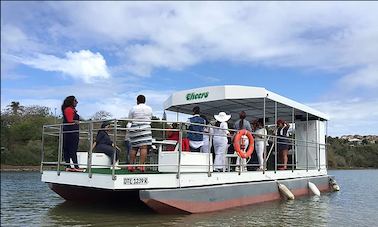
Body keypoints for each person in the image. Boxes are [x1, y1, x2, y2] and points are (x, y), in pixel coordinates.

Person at [127, 95, 153, 172]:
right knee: (144, 147)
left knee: (134, 147)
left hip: (135, 127)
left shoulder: (133, 108)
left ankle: (131, 166)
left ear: (137, 101)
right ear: (145, 101)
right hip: (145, 127)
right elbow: (150, 118)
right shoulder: (149, 108)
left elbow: (130, 119)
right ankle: (141, 166)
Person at [61, 96, 83, 172]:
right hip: (71, 132)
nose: (77, 102)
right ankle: (75, 166)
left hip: (69, 131)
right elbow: (70, 120)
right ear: (71, 101)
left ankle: (69, 166)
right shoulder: (69, 109)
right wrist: (75, 121)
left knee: (68, 149)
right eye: (75, 100)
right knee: (72, 149)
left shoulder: (70, 109)